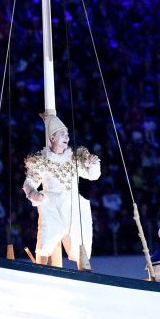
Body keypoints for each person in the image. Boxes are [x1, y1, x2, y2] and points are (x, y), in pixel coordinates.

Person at [23, 113, 101, 269]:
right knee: (46, 241)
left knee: (80, 242)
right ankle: (41, 272)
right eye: (62, 134)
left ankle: (85, 275)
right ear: (52, 138)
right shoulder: (42, 161)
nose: (67, 137)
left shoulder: (73, 158)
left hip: (73, 206)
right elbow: (28, 183)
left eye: (67, 134)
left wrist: (92, 164)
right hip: (52, 207)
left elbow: (93, 176)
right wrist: (33, 194)